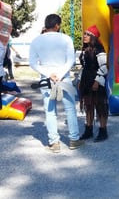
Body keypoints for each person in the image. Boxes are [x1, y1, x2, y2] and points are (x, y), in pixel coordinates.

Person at [29, 14, 84, 153]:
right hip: (63, 78)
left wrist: (49, 75)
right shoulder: (66, 39)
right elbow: (71, 60)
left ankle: (54, 143)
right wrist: (59, 75)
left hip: (46, 79)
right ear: (57, 25)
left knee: (50, 110)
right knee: (70, 109)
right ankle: (74, 140)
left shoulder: (36, 41)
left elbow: (33, 63)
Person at [78, 25, 109, 142]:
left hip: (96, 81)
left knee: (100, 106)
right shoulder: (85, 50)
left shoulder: (99, 49)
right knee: (88, 106)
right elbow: (84, 67)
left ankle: (103, 131)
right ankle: (88, 130)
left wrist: (97, 81)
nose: (84, 36)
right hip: (86, 81)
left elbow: (104, 67)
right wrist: (80, 80)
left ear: (93, 37)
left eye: (87, 34)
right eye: (84, 34)